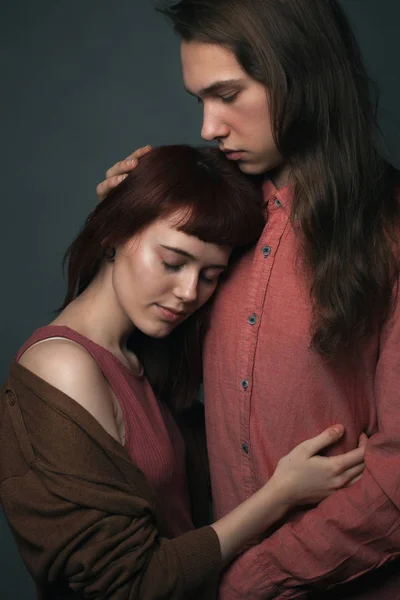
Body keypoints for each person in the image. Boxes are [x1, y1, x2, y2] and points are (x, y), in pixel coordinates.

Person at [98, 1, 400, 598]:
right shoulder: (214, 216)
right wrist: (124, 236)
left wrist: (251, 580)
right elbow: (141, 384)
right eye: (200, 102)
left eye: (228, 94)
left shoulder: (389, 234)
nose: (209, 127)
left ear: (300, 76)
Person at [0, 145, 366, 600]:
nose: (189, 291)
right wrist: (281, 494)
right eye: (172, 263)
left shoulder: (141, 356)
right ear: (112, 235)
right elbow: (130, 584)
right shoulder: (63, 367)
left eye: (211, 274)